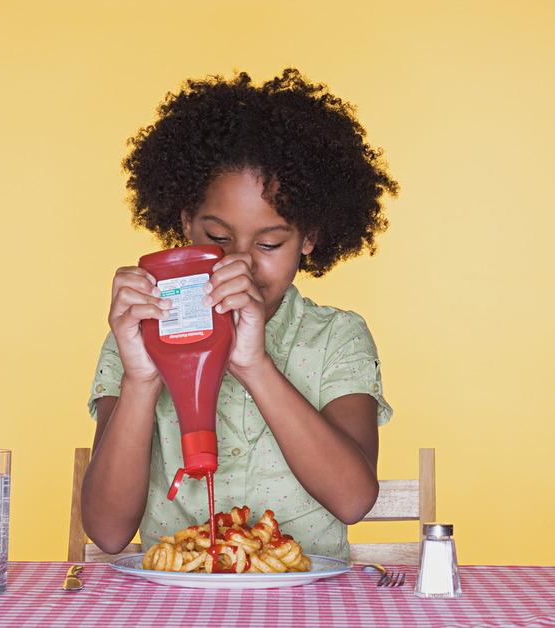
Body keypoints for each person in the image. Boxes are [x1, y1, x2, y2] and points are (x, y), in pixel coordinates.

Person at [82, 68, 398, 560]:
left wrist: (254, 364)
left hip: (306, 608)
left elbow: (354, 500)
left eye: (269, 242)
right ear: (185, 223)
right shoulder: (139, 333)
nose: (239, 264)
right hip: (175, 605)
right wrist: (141, 379)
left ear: (309, 237)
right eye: (218, 238)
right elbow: (106, 532)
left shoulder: (337, 336)